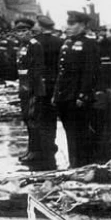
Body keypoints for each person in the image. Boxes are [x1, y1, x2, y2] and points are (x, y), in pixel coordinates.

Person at [53, 11, 100, 168]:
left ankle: (81, 165)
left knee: (79, 133)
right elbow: (61, 72)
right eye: (68, 23)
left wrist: (83, 95)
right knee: (70, 132)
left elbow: (90, 72)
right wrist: (56, 94)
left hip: (76, 97)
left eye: (72, 24)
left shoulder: (89, 44)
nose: (68, 27)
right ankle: (74, 163)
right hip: (65, 96)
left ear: (83, 25)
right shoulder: (67, 43)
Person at [13, 19, 48, 168]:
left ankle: (36, 151)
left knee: (33, 119)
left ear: (30, 31)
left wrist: (30, 85)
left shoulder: (35, 46)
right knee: (27, 118)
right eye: (18, 31)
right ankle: (31, 149)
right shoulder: (23, 46)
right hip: (24, 86)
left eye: (24, 31)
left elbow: (37, 68)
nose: (21, 34)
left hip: (33, 88)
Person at [34, 15, 64, 167]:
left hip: (39, 84)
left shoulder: (34, 42)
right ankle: (51, 144)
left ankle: (43, 147)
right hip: (54, 84)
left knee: (40, 116)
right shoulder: (59, 42)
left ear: (39, 26)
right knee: (51, 116)